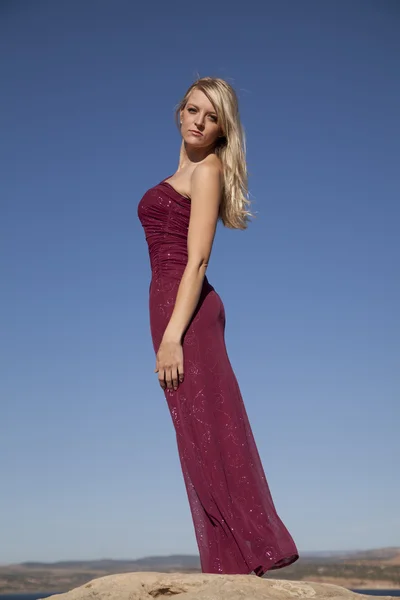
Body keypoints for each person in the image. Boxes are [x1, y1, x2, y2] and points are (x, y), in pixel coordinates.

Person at [137, 76, 298, 576]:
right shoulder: (183, 170)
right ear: (179, 112)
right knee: (195, 436)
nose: (198, 122)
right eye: (191, 110)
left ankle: (248, 554)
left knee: (211, 435)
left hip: (186, 315)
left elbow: (199, 260)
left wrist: (171, 338)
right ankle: (227, 559)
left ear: (222, 128)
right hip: (167, 305)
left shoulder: (207, 170)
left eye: (210, 116)